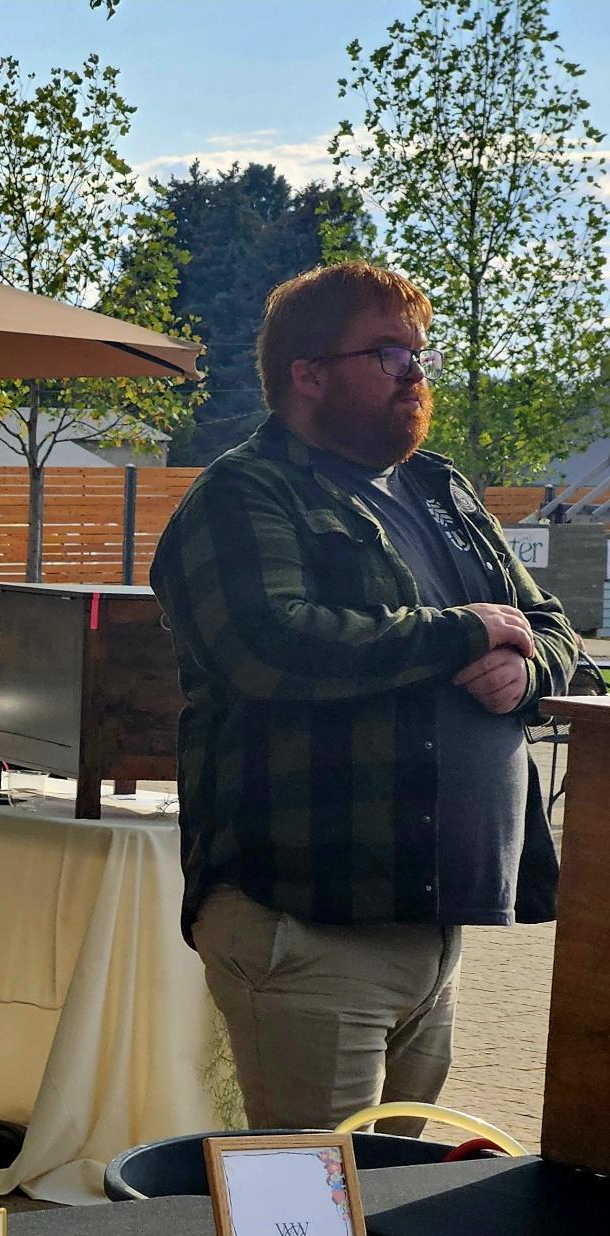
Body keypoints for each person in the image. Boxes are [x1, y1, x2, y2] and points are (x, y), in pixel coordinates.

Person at [150, 263, 578, 1135]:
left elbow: (551, 628)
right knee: (310, 1201)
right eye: (389, 353)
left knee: (386, 1199)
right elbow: (269, 643)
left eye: (421, 353)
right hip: (307, 921)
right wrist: (459, 634)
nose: (416, 373)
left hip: (435, 924)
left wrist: (528, 672)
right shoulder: (243, 492)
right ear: (308, 373)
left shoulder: (439, 488)